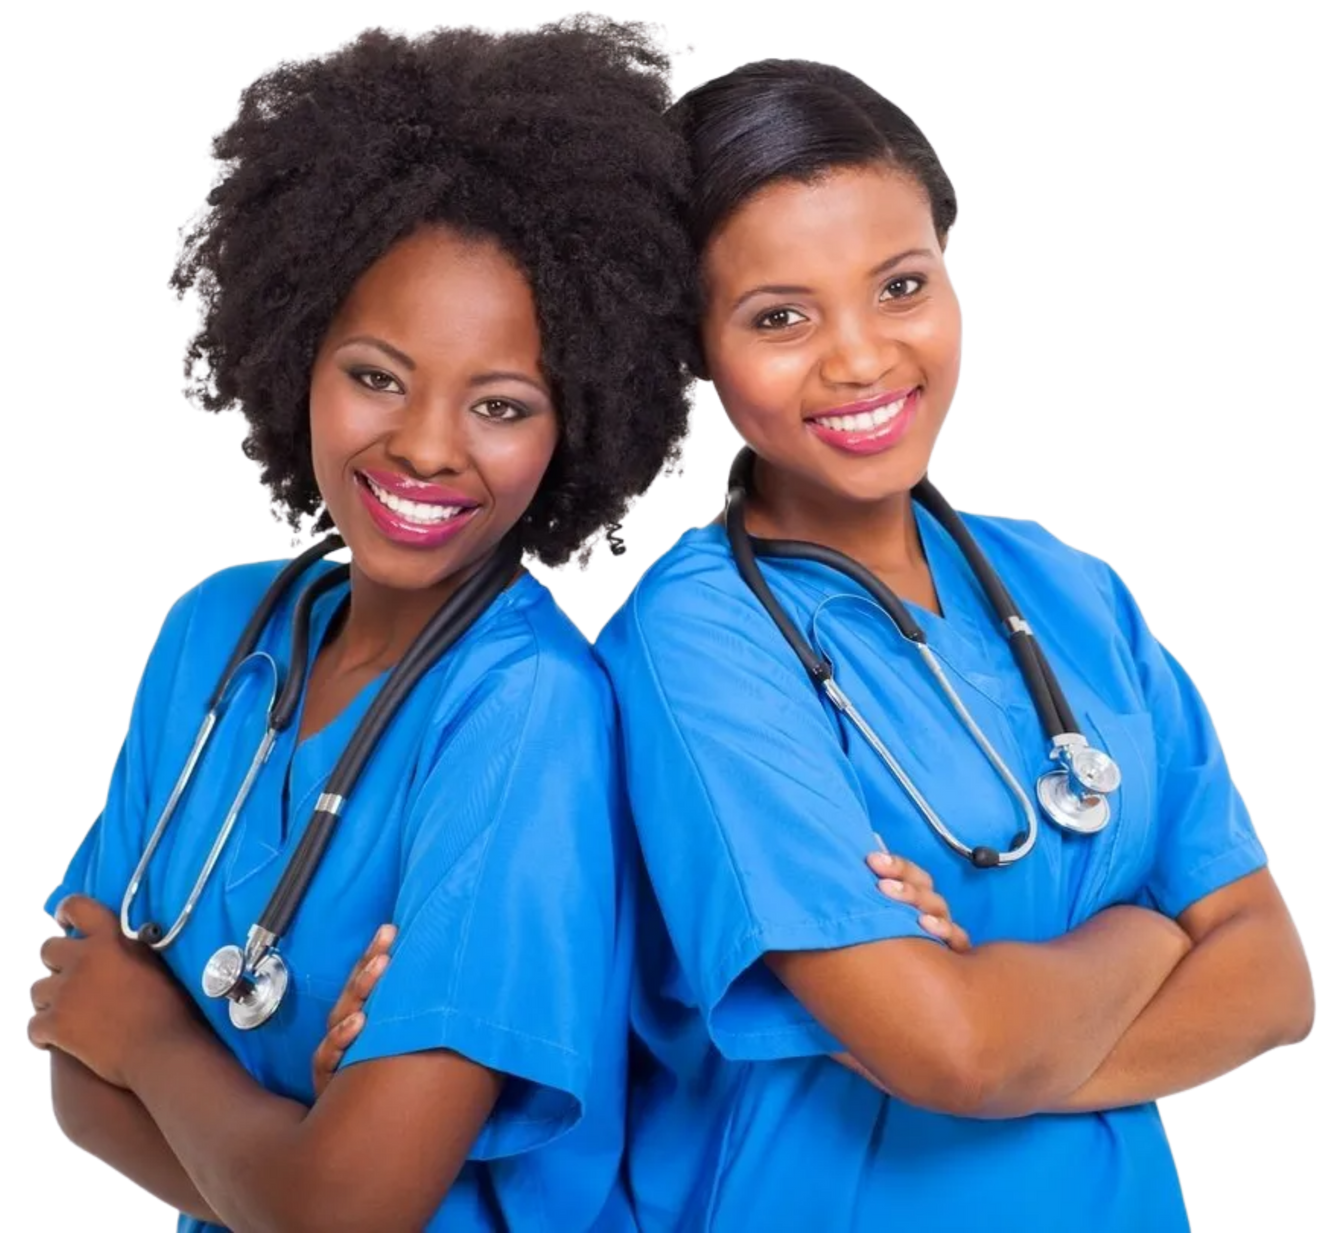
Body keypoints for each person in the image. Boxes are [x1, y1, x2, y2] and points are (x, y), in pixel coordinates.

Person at [585, 58, 1314, 1231]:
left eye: (900, 286)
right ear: (697, 351)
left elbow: (1276, 982)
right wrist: (1143, 932)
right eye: (779, 317)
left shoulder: (1068, 588)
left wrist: (1004, 1024)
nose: (862, 358)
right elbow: (952, 1054)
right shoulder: (697, 640)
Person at [27, 17, 697, 1232]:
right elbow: (71, 1072)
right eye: (376, 375)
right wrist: (287, 1172)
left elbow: (344, 1203)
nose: (427, 447)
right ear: (298, 358)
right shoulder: (211, 635)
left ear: (573, 431)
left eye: (500, 404)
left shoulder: (526, 709)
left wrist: (156, 1041)